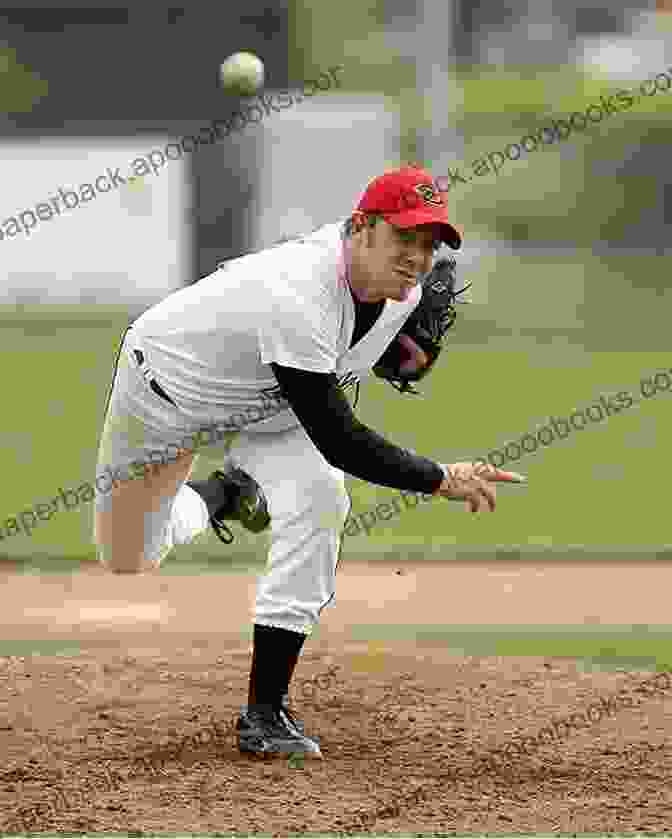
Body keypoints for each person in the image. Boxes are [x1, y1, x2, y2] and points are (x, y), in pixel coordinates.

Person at [93, 164, 516, 759]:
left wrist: (399, 350)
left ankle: (265, 712)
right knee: (129, 559)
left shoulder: (404, 293)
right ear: (363, 226)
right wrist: (440, 477)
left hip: (275, 404)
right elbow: (339, 435)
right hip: (164, 397)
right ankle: (222, 496)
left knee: (322, 502)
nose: (418, 257)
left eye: (430, 244)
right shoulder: (298, 285)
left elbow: (353, 366)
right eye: (405, 237)